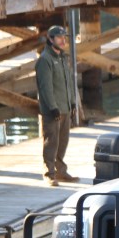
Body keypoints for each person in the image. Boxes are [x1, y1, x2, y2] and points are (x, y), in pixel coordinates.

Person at [35, 25, 77, 186]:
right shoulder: (45, 60)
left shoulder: (63, 58)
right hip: (53, 110)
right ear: (50, 39)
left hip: (65, 107)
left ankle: (61, 172)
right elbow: (46, 87)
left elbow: (68, 83)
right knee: (51, 142)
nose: (63, 40)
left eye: (64, 37)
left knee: (62, 142)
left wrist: (72, 103)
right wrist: (53, 107)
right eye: (59, 38)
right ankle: (49, 174)